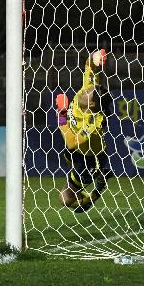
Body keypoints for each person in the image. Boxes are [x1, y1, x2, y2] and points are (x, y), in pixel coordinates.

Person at [55, 49, 112, 213]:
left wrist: (62, 113)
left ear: (92, 105)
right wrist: (95, 57)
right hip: (76, 153)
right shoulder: (89, 88)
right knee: (66, 155)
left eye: (90, 93)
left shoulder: (93, 124)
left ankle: (98, 188)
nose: (87, 89)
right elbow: (89, 67)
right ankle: (97, 180)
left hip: (89, 162)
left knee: (65, 199)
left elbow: (71, 142)